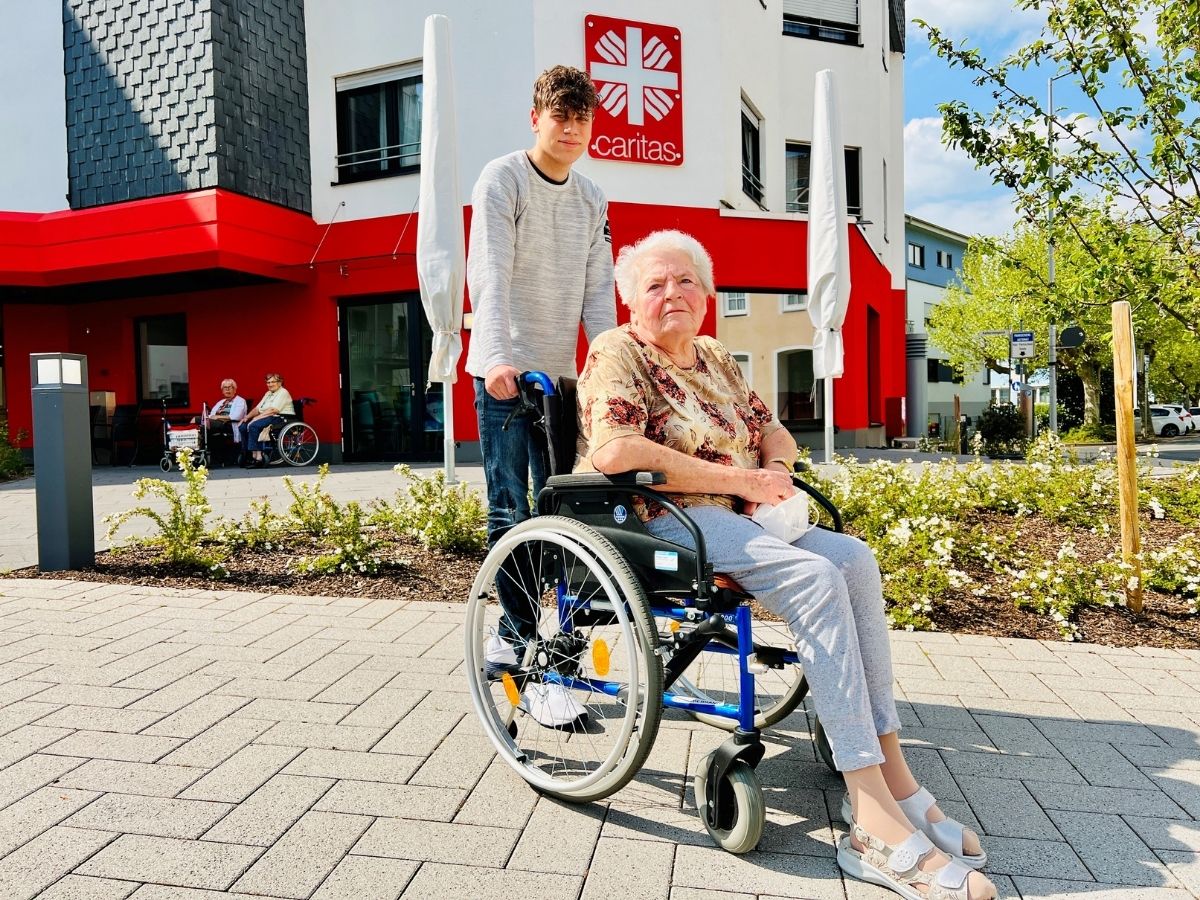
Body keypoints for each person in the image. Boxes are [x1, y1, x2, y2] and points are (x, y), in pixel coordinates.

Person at [574, 230, 996, 900]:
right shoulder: (618, 351)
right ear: (631, 302)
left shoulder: (714, 355)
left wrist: (772, 470)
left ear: (707, 295)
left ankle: (894, 772)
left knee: (853, 560)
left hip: (745, 513)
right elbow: (614, 450)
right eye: (654, 284)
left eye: (685, 280)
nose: (671, 293)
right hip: (663, 518)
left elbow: (772, 429)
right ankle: (873, 825)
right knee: (814, 576)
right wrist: (740, 483)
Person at [465, 65, 616, 727]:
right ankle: (527, 652)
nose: (572, 129)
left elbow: (599, 293)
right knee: (511, 514)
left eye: (582, 118)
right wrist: (496, 354)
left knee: (569, 518)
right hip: (503, 375)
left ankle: (534, 638)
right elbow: (489, 271)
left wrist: (613, 372)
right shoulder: (504, 179)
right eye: (561, 116)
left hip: (562, 383)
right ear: (537, 117)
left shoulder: (591, 198)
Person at [243, 373, 295, 468]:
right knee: (243, 426)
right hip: (268, 416)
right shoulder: (268, 393)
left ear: (279, 383)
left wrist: (256, 418)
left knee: (254, 425)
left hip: (280, 418)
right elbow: (257, 409)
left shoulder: (283, 392)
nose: (270, 384)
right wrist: (246, 417)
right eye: (268, 382)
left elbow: (273, 410)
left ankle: (257, 457)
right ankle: (246, 454)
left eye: (273, 382)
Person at [200, 378, 247, 466]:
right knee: (200, 422)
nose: (227, 389)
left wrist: (218, 417)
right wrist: (214, 417)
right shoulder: (221, 402)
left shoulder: (240, 401)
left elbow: (236, 416)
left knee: (203, 423)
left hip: (230, 425)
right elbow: (211, 415)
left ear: (235, 389)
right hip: (217, 425)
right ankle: (200, 452)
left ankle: (203, 453)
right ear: (222, 390)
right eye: (225, 388)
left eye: (230, 387)